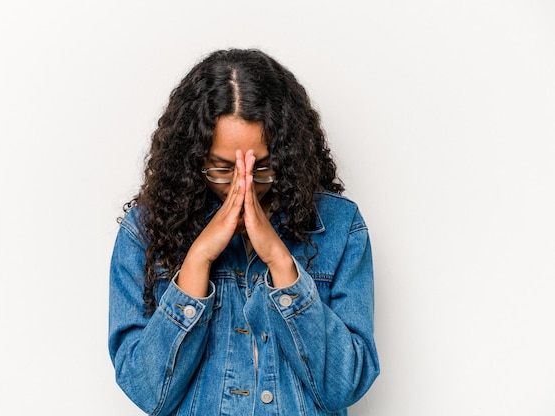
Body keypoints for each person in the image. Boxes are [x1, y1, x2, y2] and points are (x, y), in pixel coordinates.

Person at [108, 48, 379, 415]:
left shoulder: (339, 227)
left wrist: (280, 262)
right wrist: (198, 259)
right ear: (194, 158)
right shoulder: (145, 231)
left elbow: (344, 386)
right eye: (222, 168)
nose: (243, 186)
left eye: (263, 168)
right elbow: (147, 391)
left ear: (288, 156)